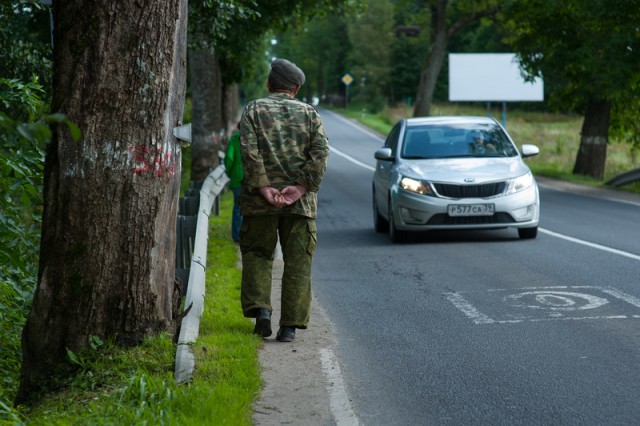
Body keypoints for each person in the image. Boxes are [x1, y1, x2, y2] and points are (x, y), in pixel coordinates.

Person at [238, 58, 329, 343]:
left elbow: (248, 151)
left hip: (258, 202)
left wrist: (264, 186)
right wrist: (301, 187)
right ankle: (288, 327)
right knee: (298, 263)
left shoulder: (254, 109)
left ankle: (261, 312)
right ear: (297, 88)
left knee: (257, 255)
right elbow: (320, 154)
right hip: (300, 206)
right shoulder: (310, 114)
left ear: (269, 84)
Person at [224, 124, 243, 242]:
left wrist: (231, 173)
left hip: (237, 178)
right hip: (254, 179)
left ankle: (237, 236)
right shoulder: (257, 137)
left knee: (238, 207)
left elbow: (229, 158)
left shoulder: (235, 138)